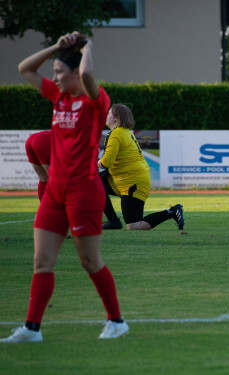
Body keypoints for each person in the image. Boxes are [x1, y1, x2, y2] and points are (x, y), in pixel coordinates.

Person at [1, 32, 128, 343]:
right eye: (54, 73)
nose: (54, 78)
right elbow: (24, 69)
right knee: (42, 261)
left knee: (90, 261)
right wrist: (57, 48)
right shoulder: (58, 97)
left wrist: (88, 47)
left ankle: (117, 321)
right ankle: (32, 329)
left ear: (74, 73)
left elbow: (86, 73)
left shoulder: (96, 102)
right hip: (55, 192)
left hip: (83, 190)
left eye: (59, 72)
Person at [98, 103, 184, 231]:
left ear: (116, 118)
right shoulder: (123, 132)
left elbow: (106, 163)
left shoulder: (116, 134)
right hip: (127, 180)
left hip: (132, 182)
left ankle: (171, 212)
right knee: (96, 183)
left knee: (134, 226)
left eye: (109, 113)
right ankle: (113, 221)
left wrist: (92, 162)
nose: (107, 115)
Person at [25, 130, 51, 201]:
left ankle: (44, 210)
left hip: (32, 139)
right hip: (45, 140)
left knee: (43, 178)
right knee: (55, 179)